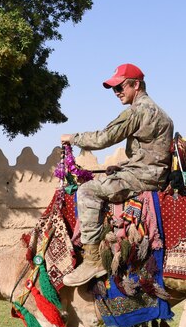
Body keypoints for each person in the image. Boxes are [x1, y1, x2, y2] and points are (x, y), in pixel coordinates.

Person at [60, 63, 174, 287]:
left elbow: (104, 138)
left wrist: (72, 138)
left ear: (136, 85)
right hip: (149, 172)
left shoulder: (138, 111)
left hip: (142, 177)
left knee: (87, 191)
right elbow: (151, 154)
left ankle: (93, 260)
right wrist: (122, 166)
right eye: (114, 89)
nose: (117, 93)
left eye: (120, 87)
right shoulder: (159, 113)